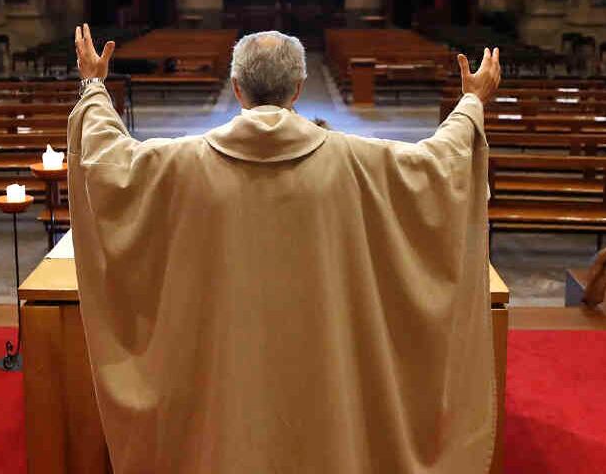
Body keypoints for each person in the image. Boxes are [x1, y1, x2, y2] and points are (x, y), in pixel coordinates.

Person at [68, 26, 502, 473]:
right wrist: (472, 102)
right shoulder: (356, 161)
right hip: (325, 381)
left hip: (224, 389)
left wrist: (94, 85)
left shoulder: (182, 163)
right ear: (299, 88)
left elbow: (109, 163)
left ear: (237, 88)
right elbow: (438, 167)